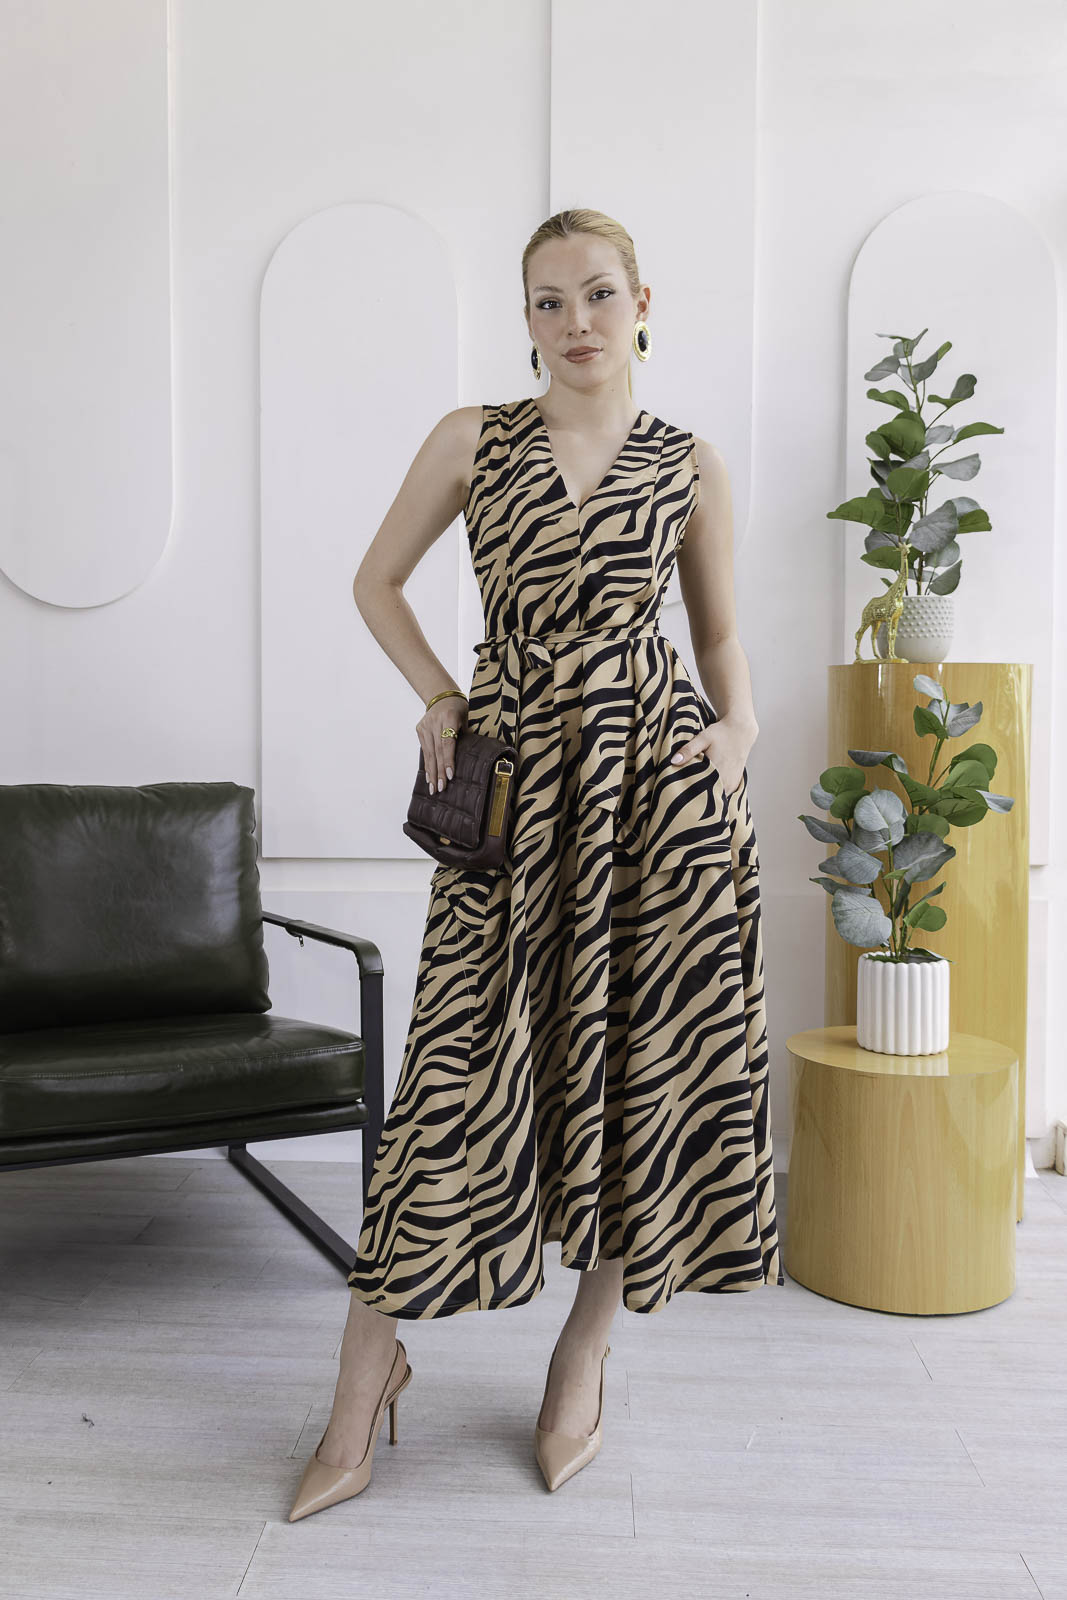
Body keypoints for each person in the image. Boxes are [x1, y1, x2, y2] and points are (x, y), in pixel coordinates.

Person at [289, 207, 783, 1522]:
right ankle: (364, 1378)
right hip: (511, 798)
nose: (577, 322)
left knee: (637, 1073)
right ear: (525, 319)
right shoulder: (476, 440)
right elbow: (377, 583)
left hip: (656, 801)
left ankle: (583, 1357)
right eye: (550, 301)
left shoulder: (689, 464)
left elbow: (720, 641)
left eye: (600, 294)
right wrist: (440, 694)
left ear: (642, 304)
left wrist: (737, 734)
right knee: (452, 1072)